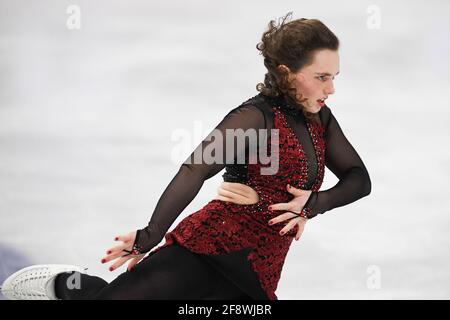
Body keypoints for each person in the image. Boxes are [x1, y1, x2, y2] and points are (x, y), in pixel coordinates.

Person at [1, 12, 371, 300]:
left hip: (258, 272)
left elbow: (358, 179)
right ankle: (66, 284)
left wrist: (313, 204)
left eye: (334, 76)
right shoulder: (253, 117)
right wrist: (149, 235)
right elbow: (195, 169)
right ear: (288, 74)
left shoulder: (319, 117)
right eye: (322, 76)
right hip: (206, 250)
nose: (332, 88)